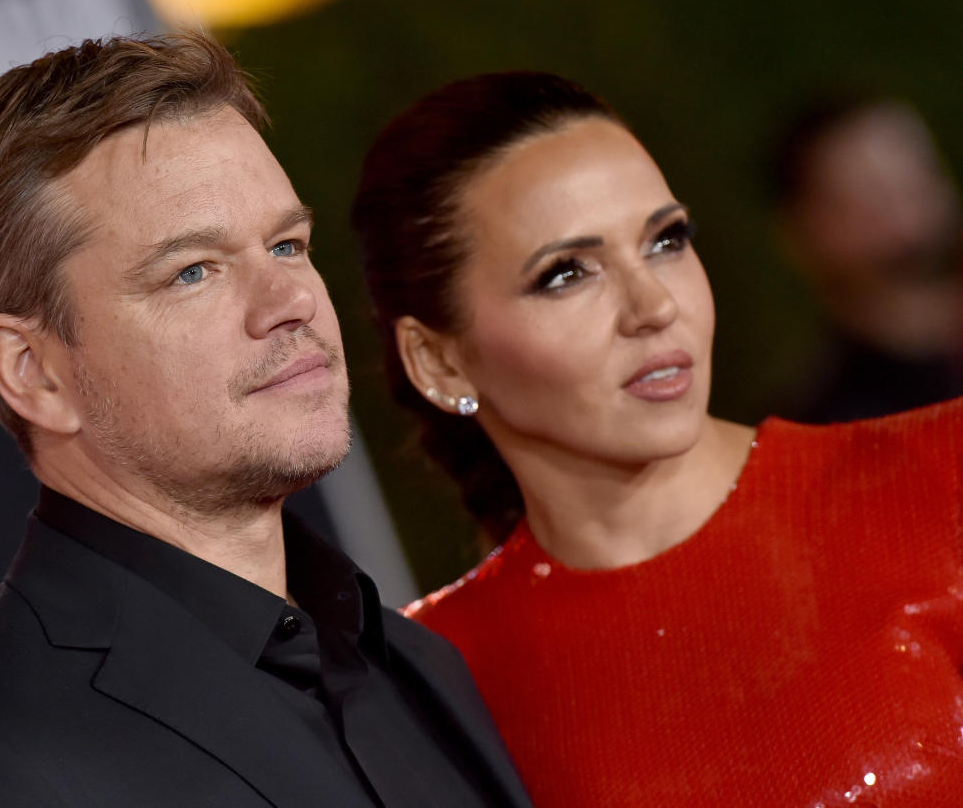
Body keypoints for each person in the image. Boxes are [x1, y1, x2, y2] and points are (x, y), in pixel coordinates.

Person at [0, 34, 531, 808]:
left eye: (288, 245)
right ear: (34, 369)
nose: (290, 301)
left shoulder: (422, 667)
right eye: (194, 271)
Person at [351, 71, 963, 806]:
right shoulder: (426, 681)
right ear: (439, 359)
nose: (654, 305)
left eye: (666, 240)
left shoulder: (940, 472)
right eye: (565, 273)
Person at [771, 95, 963, 422]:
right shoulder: (838, 426)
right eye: (871, 197)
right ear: (805, 231)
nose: (908, 216)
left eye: (914, 180)